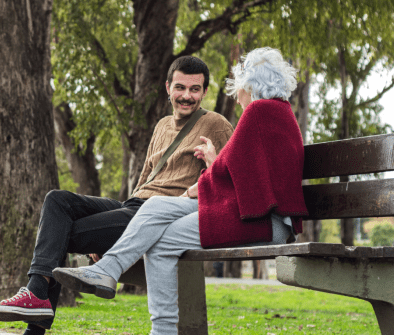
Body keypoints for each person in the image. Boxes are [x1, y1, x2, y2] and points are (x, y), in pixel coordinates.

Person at [52, 47, 309, 335]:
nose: (236, 97)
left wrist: (195, 188)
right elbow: (239, 171)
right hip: (252, 213)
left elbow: (227, 169)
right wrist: (210, 173)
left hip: (263, 222)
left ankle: (159, 328)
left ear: (251, 85)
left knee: (161, 241)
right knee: (154, 207)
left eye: (238, 88)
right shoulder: (277, 112)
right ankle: (108, 272)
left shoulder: (259, 112)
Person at [0, 56, 234, 335]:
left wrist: (212, 162)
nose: (186, 96)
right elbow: (145, 178)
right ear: (167, 87)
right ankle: (36, 295)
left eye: (195, 89)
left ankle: (35, 313)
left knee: (59, 235)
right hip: (134, 206)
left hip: (159, 214)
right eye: (180, 87)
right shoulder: (162, 125)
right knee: (57, 201)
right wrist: (110, 223)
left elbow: (230, 179)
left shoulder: (216, 124)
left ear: (205, 91)